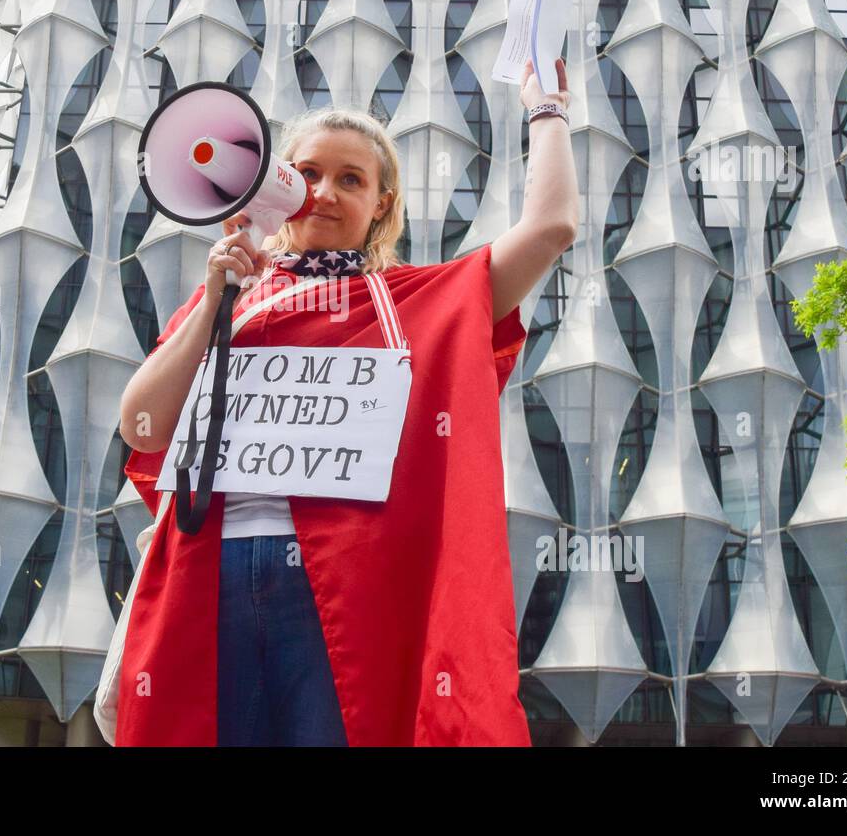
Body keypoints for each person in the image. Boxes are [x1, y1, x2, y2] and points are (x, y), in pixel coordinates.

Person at [116, 58, 578, 746]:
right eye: (306, 174)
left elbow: (550, 229)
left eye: (351, 179)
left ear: (381, 204)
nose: (323, 193)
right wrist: (215, 298)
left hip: (347, 587)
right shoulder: (226, 296)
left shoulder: (421, 299)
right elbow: (142, 426)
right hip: (206, 574)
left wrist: (547, 112)